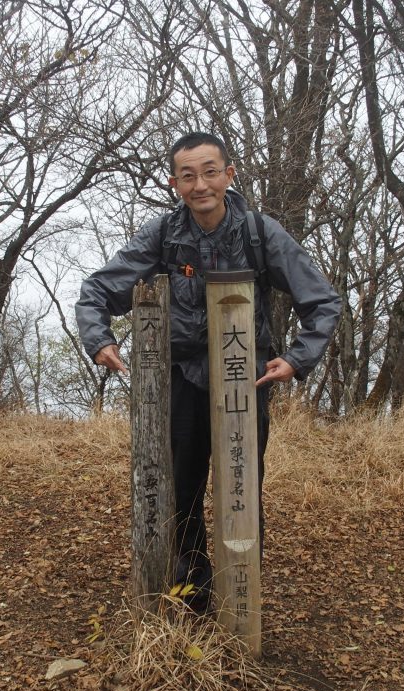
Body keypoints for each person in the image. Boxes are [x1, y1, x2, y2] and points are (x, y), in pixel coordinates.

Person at [76, 132, 341, 613]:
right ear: (175, 182)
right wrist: (101, 340)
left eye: (210, 172)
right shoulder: (162, 235)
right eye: (188, 175)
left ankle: (242, 597)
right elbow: (97, 290)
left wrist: (297, 359)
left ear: (229, 175)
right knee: (181, 488)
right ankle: (194, 591)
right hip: (180, 379)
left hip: (246, 378)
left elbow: (322, 301)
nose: (201, 185)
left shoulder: (260, 233)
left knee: (240, 486)